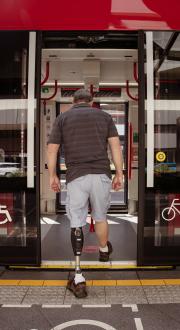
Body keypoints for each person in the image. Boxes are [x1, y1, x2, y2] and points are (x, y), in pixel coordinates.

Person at [47, 89, 123, 298]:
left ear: (73, 101)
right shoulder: (104, 116)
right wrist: (119, 173)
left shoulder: (63, 118)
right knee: (100, 217)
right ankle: (103, 250)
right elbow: (115, 146)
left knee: (77, 222)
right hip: (100, 175)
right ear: (91, 101)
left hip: (76, 176)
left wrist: (52, 175)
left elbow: (52, 149)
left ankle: (78, 275)